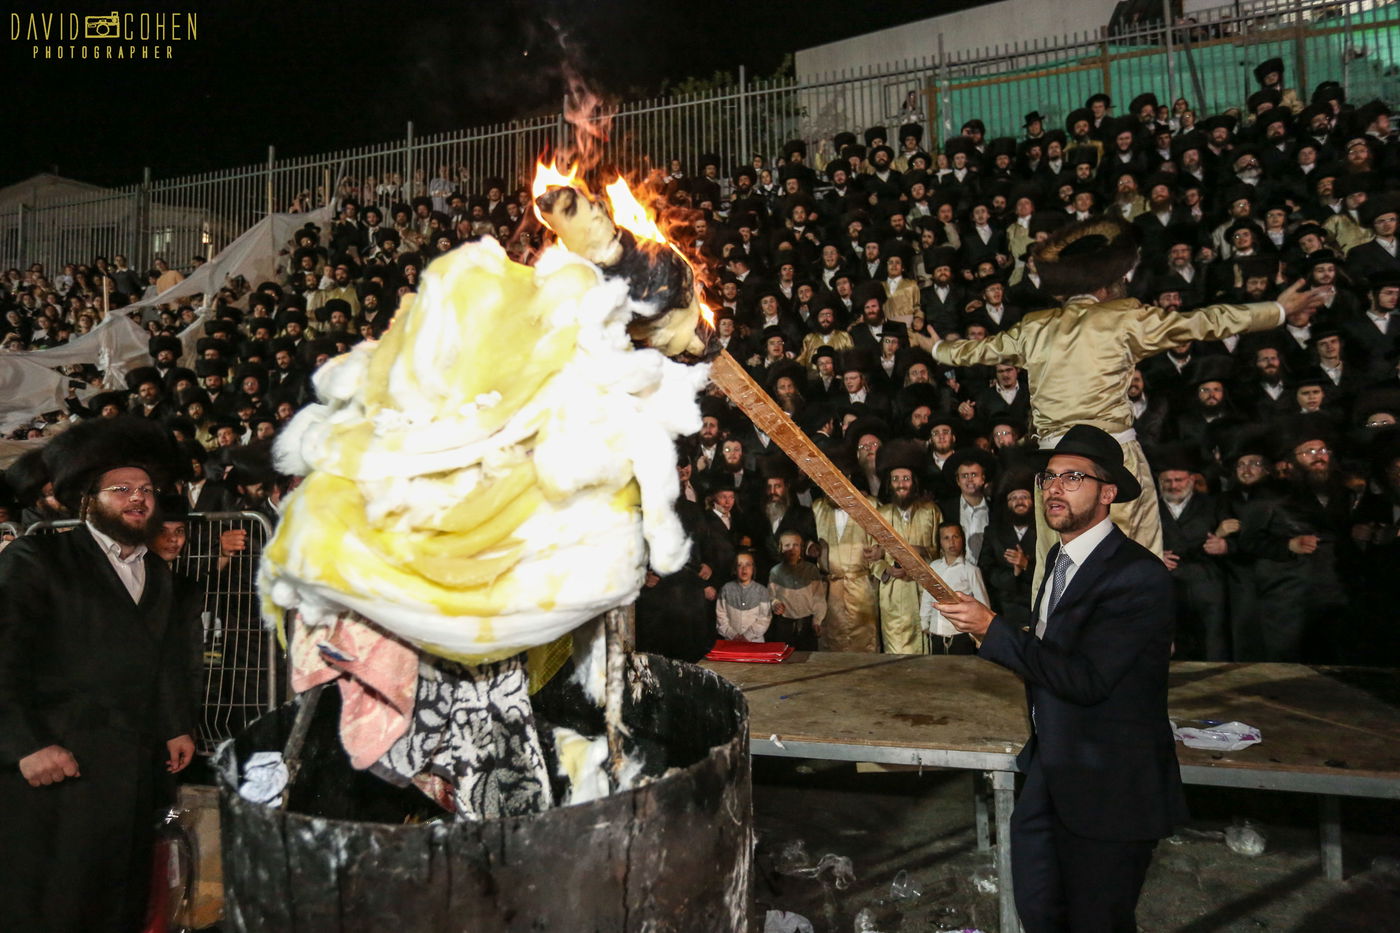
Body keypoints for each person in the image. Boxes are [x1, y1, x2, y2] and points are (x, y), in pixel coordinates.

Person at [931, 216, 1329, 590]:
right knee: (1131, 558)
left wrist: (934, 347)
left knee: (1053, 561)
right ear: (1106, 282)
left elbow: (975, 351)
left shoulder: (1036, 326)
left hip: (1052, 463)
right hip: (1111, 459)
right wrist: (1275, 310)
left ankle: (1051, 645)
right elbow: (1203, 322)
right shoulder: (1123, 316)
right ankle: (1139, 640)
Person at [940, 424, 1186, 933]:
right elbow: (1050, 653)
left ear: (1108, 492)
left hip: (1109, 783)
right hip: (1053, 765)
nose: (1053, 488)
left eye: (1073, 477)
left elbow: (1088, 679)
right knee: (1039, 910)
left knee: (1097, 919)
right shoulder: (1058, 558)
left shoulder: (1138, 576)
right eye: (1048, 477)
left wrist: (992, 630)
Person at [0, 416, 196, 932]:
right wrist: (24, 745)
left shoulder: (156, 571)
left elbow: (163, 658)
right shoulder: (38, 557)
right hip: (57, 765)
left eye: (147, 489)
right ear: (89, 499)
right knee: (52, 904)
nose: (140, 499)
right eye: (122, 489)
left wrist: (175, 723)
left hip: (131, 767)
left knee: (121, 901)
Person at [919, 522, 987, 654]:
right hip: (936, 632)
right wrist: (924, 622)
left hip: (960, 635)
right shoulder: (935, 567)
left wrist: (976, 635)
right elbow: (927, 596)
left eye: (956, 537)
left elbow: (982, 603)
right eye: (946, 538)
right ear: (940, 542)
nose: (952, 542)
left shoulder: (971, 570)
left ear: (962, 539)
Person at [767, 530, 826, 651]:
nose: (792, 549)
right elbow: (771, 596)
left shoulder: (811, 570)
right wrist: (775, 604)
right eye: (787, 545)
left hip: (806, 625)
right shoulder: (775, 572)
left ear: (802, 548)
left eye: (796, 545)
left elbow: (819, 598)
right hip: (784, 626)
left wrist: (817, 621)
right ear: (781, 548)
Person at [715, 551, 773, 642]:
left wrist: (747, 636)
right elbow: (720, 615)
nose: (744, 569)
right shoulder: (726, 589)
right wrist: (733, 635)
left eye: (748, 564)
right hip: (731, 641)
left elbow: (764, 618)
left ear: (753, 568)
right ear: (734, 569)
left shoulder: (762, 591)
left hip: (755, 642)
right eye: (739, 565)